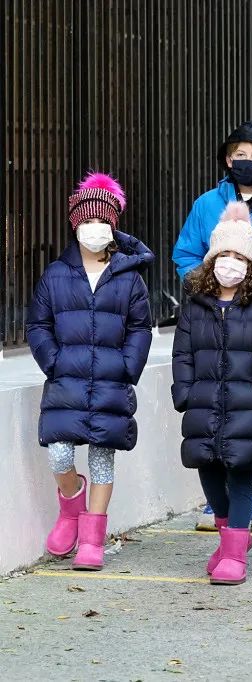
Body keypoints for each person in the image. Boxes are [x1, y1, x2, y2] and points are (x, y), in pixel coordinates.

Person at [27, 171, 153, 571]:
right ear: (75, 223)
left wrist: (128, 366)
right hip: (66, 379)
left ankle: (93, 537)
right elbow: (37, 325)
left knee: (102, 456)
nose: (94, 228)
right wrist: (54, 361)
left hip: (111, 382)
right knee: (60, 453)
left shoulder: (129, 278)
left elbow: (140, 328)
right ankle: (70, 509)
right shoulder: (55, 274)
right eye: (87, 220)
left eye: (102, 221)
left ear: (113, 225)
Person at [172, 120, 252, 535]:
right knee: (217, 405)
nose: (248, 162)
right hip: (214, 314)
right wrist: (202, 284)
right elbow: (186, 251)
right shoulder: (207, 203)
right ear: (227, 158)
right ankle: (217, 500)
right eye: (241, 154)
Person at [172, 202, 252, 585]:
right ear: (211, 258)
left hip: (248, 408)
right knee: (209, 476)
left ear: (250, 265)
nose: (229, 263)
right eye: (223, 255)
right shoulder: (196, 305)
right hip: (203, 405)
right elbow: (182, 352)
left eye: (239, 256)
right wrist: (184, 392)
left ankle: (235, 553)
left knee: (240, 480)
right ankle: (231, 537)